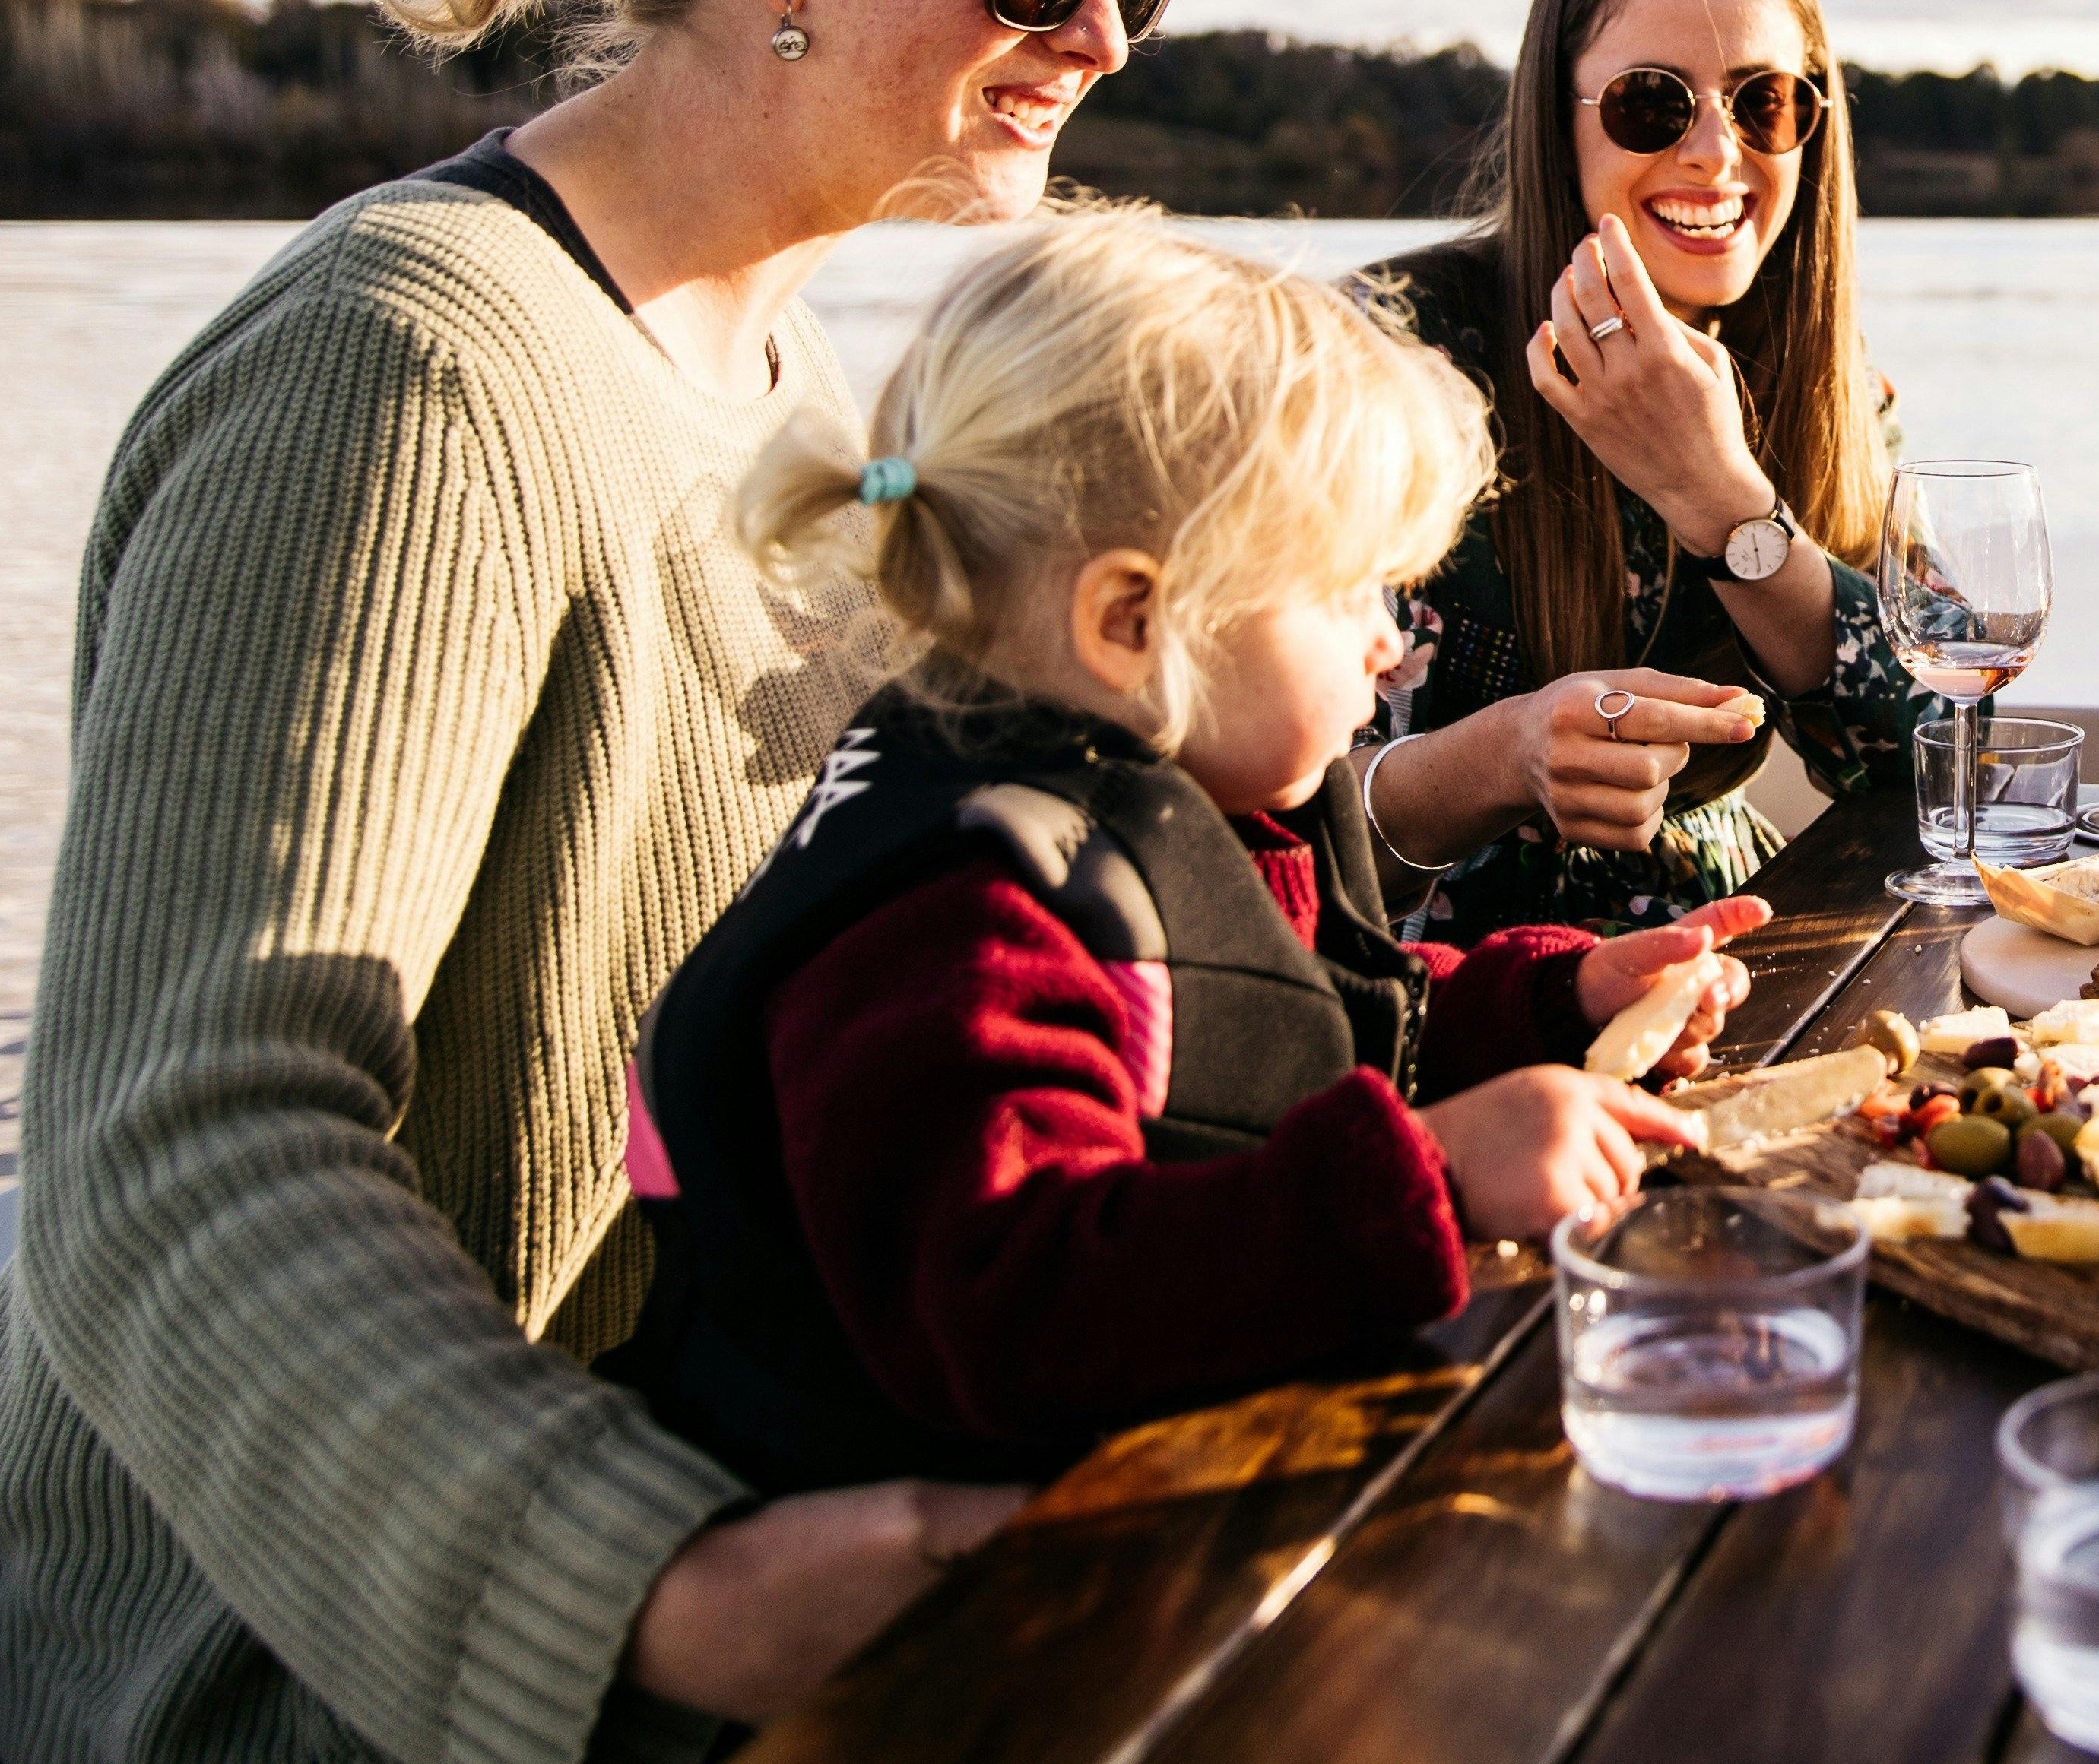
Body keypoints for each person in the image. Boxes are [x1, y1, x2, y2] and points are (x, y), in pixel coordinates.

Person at [0, 0, 1184, 1764]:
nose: (1105, 35)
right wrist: (672, 1587)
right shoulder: (408, 372)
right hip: (349, 1737)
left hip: (712, 1501)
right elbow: (172, 1152)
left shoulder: (790, 380)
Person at [614, 218, 1758, 1490]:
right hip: (953, 1613)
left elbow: (1294, 1033)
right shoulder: (961, 929)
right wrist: (1431, 1177)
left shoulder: (1187, 800)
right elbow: (1019, 1310)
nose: (1391, 644)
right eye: (1350, 594)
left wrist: (1551, 1004)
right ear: (1130, 623)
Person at [1358, 0, 1929, 929]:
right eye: (1653, 102)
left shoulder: (1834, 385)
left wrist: (1725, 504)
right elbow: (1262, 837)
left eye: (1765, 101)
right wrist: (1501, 758)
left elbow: (1943, 762)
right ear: (1557, 120)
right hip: (1444, 990)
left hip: (1742, 947)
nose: (1717, 153)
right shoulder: (1379, 359)